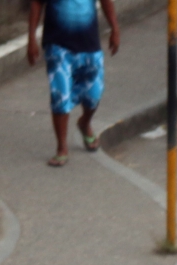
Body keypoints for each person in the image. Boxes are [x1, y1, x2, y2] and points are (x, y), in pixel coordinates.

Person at [28, 0, 119, 168]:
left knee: (94, 94)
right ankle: (62, 147)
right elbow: (37, 3)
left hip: (89, 44)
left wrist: (114, 28)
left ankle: (84, 123)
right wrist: (31, 38)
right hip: (57, 45)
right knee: (60, 96)